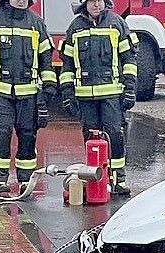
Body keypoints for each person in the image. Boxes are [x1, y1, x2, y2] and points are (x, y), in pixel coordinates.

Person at [0, 0, 56, 195]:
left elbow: (45, 59)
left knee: (28, 136)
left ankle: (26, 179)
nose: (21, 0)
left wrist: (50, 84)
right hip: (0, 92)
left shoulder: (36, 22)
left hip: (28, 93)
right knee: (2, 133)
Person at [59, 0, 138, 195]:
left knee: (115, 135)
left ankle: (119, 179)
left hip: (111, 95)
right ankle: (96, 178)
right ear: (84, 4)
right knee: (91, 137)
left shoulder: (117, 23)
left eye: (100, 1)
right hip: (85, 97)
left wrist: (129, 89)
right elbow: (67, 65)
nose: (96, 5)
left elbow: (129, 60)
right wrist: (68, 94)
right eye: (92, 2)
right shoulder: (75, 28)